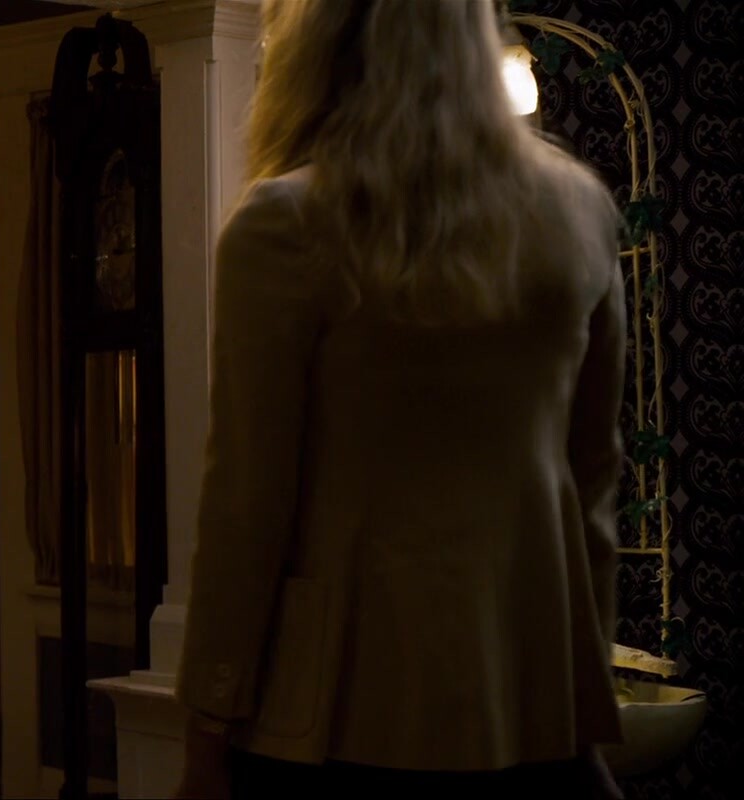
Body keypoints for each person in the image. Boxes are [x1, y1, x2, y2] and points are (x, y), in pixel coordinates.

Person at [171, 1, 626, 798]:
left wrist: (209, 720)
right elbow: (592, 487)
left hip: (337, 712)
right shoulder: (578, 214)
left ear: (318, 43)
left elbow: (248, 504)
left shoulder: (286, 224)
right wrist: (586, 707)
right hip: (528, 704)